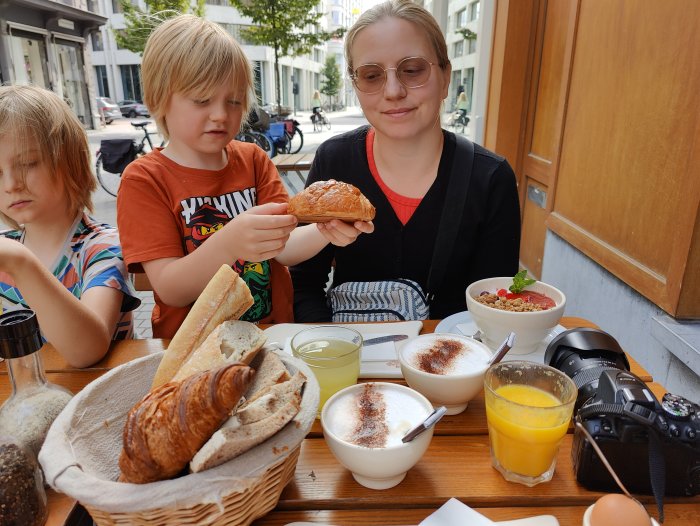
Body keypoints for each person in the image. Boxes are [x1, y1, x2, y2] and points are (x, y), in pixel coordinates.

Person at [117, 15, 372, 339]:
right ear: (159, 98)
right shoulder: (144, 180)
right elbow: (170, 288)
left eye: (234, 101)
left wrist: (327, 231)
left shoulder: (253, 159)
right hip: (195, 351)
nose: (221, 114)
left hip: (272, 337)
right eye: (201, 100)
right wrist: (229, 243)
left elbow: (285, 247)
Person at [291, 0, 521, 322]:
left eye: (412, 70)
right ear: (356, 86)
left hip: (453, 362)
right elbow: (303, 285)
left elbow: (497, 304)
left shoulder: (490, 179)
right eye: (371, 76)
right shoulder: (335, 161)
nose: (394, 91)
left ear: (445, 77)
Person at [0, 85, 139, 367]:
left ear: (71, 162)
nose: (11, 184)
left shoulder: (102, 247)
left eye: (27, 163)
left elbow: (88, 349)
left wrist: (22, 263)